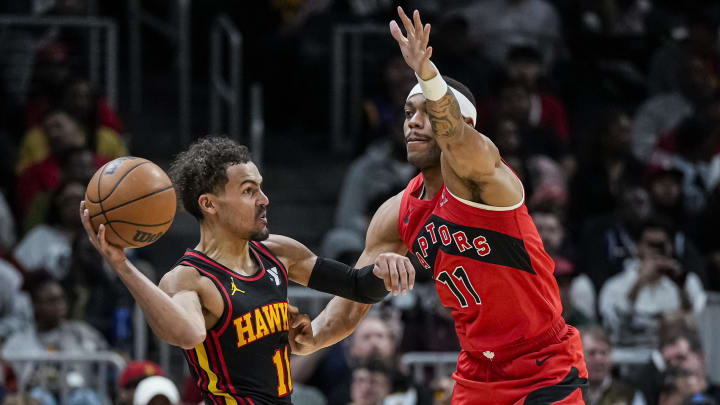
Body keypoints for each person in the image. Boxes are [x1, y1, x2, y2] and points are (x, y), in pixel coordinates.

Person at [298, 8, 588, 404]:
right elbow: (352, 301)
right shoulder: (395, 213)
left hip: (542, 360)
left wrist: (427, 74)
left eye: (425, 113)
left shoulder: (488, 176)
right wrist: (307, 338)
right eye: (407, 113)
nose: (412, 123)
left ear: (462, 122)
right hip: (477, 368)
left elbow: (458, 140)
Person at [79, 136, 415, 405]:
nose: (264, 199)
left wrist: (385, 272)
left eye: (261, 187)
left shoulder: (279, 253)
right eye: (249, 191)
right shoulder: (188, 278)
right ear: (209, 204)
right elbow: (186, 333)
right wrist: (123, 266)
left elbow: (357, 287)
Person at [580, 325, 646, 405]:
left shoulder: (629, 395)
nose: (599, 360)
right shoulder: (568, 393)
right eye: (591, 353)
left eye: (604, 353)